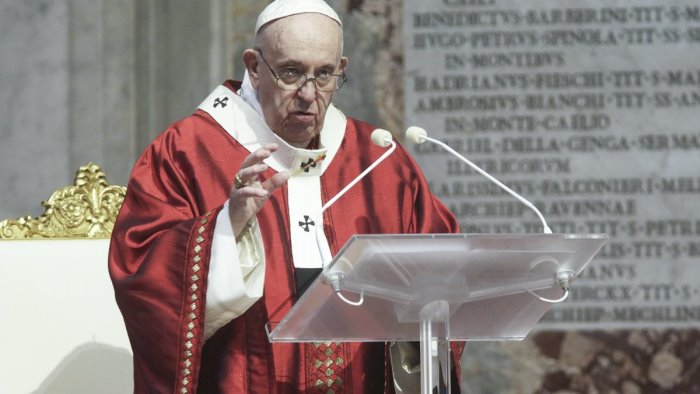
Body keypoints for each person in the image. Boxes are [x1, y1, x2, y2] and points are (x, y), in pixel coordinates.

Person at [109, 0, 461, 392]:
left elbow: (441, 272)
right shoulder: (187, 151)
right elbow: (142, 273)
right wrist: (227, 227)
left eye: (324, 74)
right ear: (254, 67)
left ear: (341, 70)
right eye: (291, 72)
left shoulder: (377, 158)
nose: (309, 94)